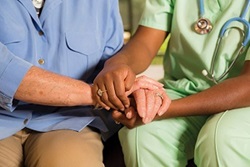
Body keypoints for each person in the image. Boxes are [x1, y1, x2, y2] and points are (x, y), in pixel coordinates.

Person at [0, 0, 167, 166]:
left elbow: (111, 63)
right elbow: (5, 71)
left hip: (69, 120)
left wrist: (127, 87)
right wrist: (100, 94)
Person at [92, 0, 250, 166]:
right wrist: (118, 64)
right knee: (143, 135)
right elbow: (145, 43)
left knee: (223, 138)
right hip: (184, 89)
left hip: (243, 102)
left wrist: (160, 109)